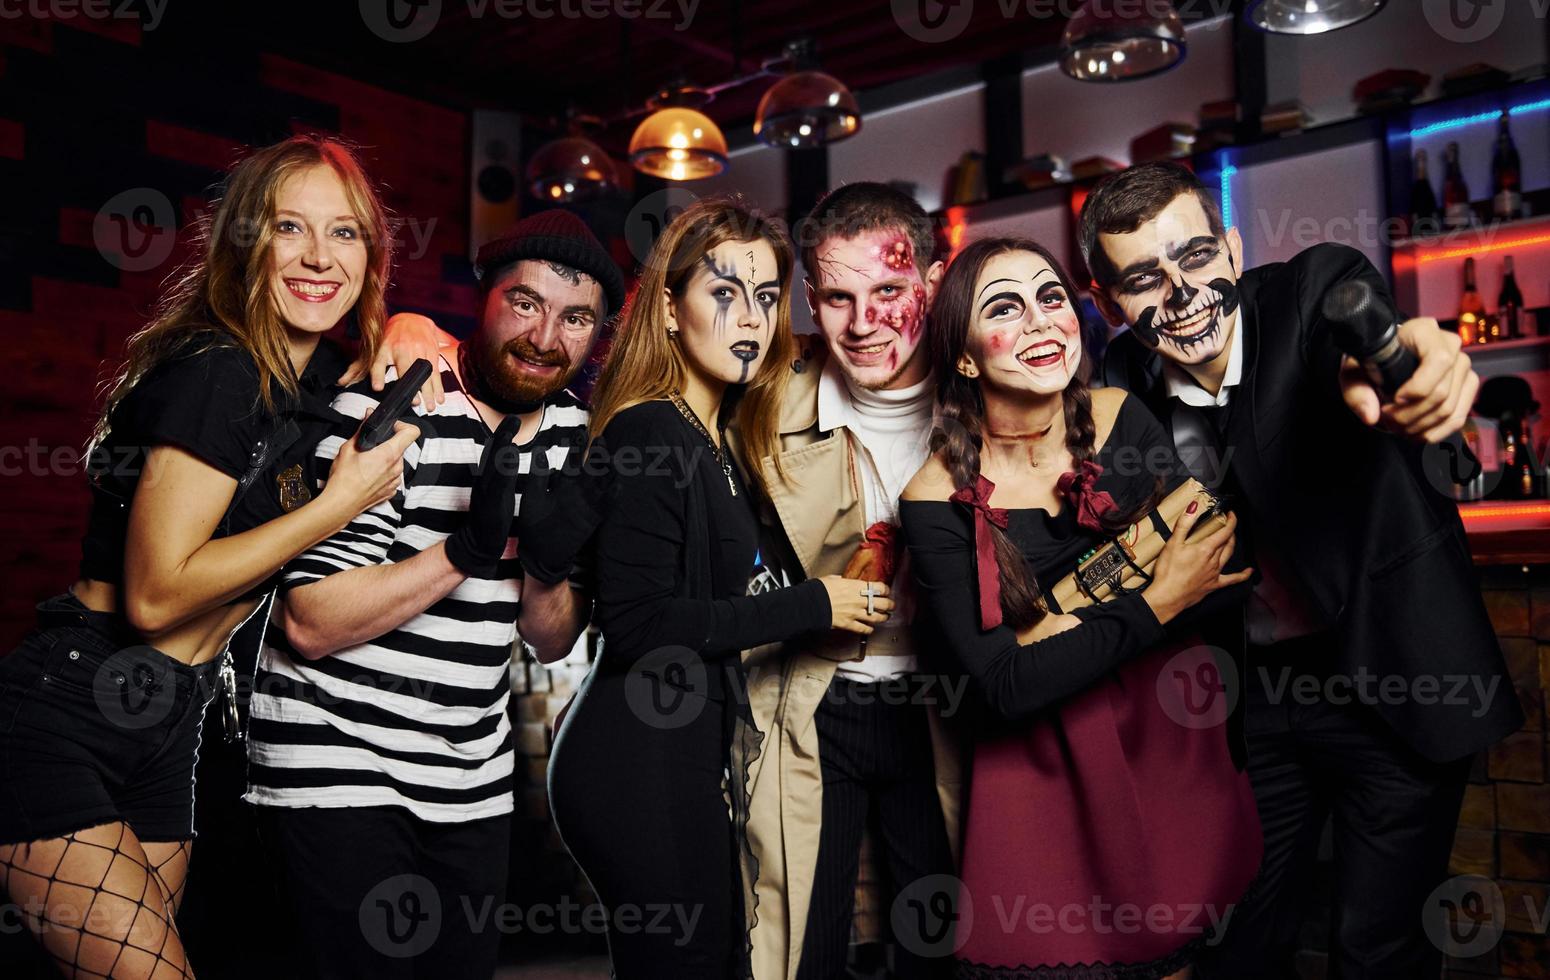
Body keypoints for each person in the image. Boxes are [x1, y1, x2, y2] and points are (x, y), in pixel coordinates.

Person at [0, 134, 429, 980]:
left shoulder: (309, 388)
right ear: (246, 244)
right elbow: (157, 597)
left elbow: (414, 339)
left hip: (172, 727)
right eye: (289, 229)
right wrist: (337, 505)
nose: (318, 257)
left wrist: (412, 323)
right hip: (71, 711)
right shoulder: (220, 370)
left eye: (345, 234)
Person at [1081, 161, 1522, 977]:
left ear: (1234, 249)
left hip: (1396, 684)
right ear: (1109, 304)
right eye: (1145, 278)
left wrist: (1402, 367)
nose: (1181, 292)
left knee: (1374, 948)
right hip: (1255, 708)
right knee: (1238, 941)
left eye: (1197, 256)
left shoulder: (1312, 289)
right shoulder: (1120, 379)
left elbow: (1361, 346)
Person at [243, 208, 621, 980]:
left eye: (575, 317)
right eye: (525, 303)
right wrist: (466, 551)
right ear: (483, 298)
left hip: (469, 777)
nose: (545, 337)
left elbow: (549, 640)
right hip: (335, 756)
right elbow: (308, 622)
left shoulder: (577, 440)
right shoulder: (397, 400)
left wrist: (543, 571)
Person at [543, 197, 891, 979]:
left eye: (767, 297)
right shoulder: (652, 431)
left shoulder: (713, 439)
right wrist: (813, 605)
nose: (751, 317)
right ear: (669, 310)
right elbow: (638, 626)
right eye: (724, 292)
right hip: (635, 758)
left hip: (678, 750)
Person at [900, 236, 1263, 978]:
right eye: (1006, 307)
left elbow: (1215, 574)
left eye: (1051, 298)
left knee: (1182, 958)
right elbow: (1003, 687)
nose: (1040, 322)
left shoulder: (1119, 415)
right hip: (1041, 769)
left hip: (1170, 738)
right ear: (964, 357)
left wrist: (1060, 617)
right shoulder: (933, 496)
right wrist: (1152, 588)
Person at [735, 181, 962, 980]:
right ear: (809, 296)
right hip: (811, 693)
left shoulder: (982, 391)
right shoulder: (765, 391)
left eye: (890, 292)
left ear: (931, 285)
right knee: (805, 937)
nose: (863, 324)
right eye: (836, 296)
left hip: (947, 699)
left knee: (944, 933)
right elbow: (648, 375)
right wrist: (430, 336)